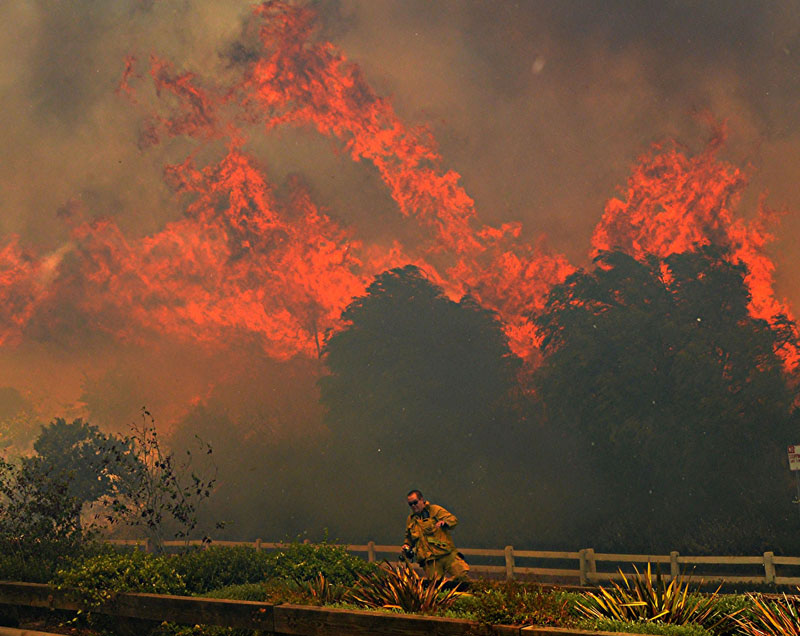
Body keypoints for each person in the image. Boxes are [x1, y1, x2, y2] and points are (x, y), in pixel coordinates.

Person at [401, 489, 469, 584]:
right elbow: (408, 537)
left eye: (415, 502)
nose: (413, 506)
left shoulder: (435, 510)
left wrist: (444, 522)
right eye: (410, 504)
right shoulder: (411, 520)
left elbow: (453, 520)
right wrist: (406, 545)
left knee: (461, 576)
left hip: (446, 554)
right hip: (430, 561)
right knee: (435, 586)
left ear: (422, 500)